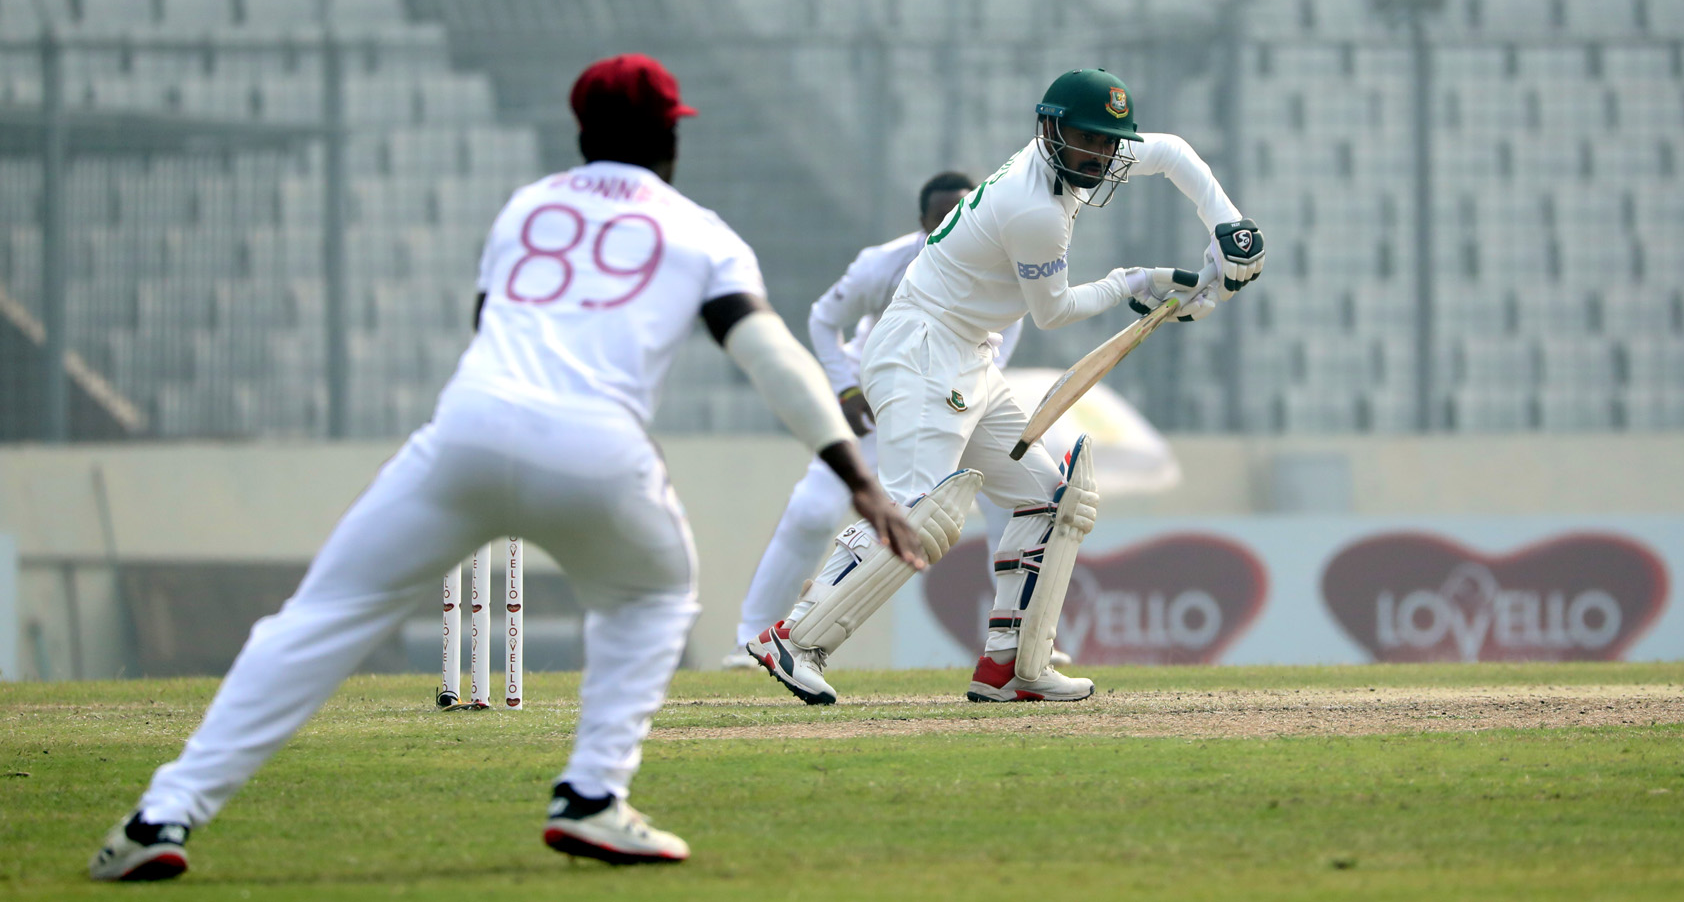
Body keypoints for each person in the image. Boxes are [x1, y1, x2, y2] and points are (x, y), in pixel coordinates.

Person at [86, 54, 924, 882]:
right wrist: (856, 477)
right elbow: (770, 354)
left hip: (468, 431)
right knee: (652, 595)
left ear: (581, 129)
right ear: (672, 137)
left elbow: (491, 322)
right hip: (600, 451)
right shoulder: (702, 231)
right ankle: (592, 794)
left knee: (320, 616)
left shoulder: (526, 206)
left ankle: (164, 813)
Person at [746, 68, 1263, 704]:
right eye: (1085, 141)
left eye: (1108, 144)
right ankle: (791, 638)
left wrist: (1229, 226)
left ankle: (1014, 665)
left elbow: (1176, 152)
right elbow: (1053, 312)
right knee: (918, 510)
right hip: (921, 349)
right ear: (1050, 130)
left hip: (970, 355)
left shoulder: (1080, 156)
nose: (1098, 157)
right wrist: (1137, 282)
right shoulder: (1035, 210)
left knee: (1052, 501)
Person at [721, 172, 1029, 668]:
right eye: (940, 217)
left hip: (950, 405)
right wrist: (844, 387)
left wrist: (968, 397)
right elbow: (824, 318)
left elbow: (1001, 344)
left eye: (962, 212)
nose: (951, 223)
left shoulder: (1000, 265)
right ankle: (749, 640)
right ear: (922, 221)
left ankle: (1019, 637)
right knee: (812, 511)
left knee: (1017, 499)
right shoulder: (882, 265)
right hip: (876, 408)